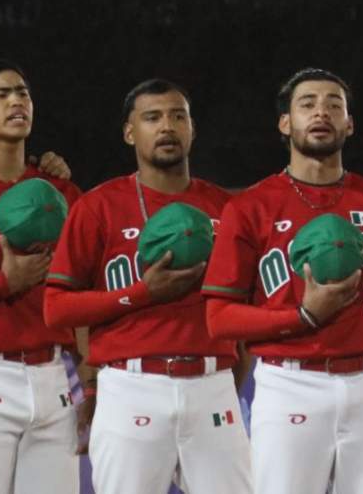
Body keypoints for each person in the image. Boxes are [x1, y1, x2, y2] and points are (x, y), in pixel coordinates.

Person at [202, 68, 363, 494]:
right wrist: (302, 316)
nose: (322, 112)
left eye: (334, 104)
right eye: (308, 104)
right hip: (289, 383)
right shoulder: (250, 208)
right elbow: (219, 318)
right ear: (285, 123)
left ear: (349, 123)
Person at [44, 78, 252, 493]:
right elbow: (58, 309)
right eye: (152, 117)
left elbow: (243, 310)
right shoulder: (97, 207)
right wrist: (139, 293)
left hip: (212, 386)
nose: (167, 127)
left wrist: (227, 377)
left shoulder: (228, 209)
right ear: (129, 132)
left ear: (193, 128)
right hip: (130, 386)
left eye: (179, 116)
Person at [0, 59, 84, 494]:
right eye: (1, 93)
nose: (17, 101)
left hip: (54, 375)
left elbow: (84, 295)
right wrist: (2, 283)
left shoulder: (62, 193)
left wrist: (91, 376)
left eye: (23, 93)